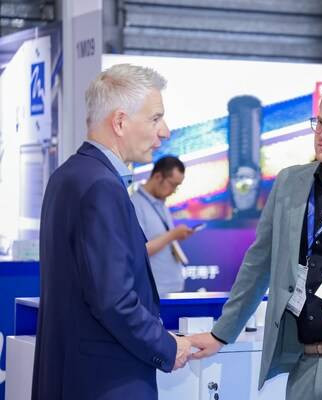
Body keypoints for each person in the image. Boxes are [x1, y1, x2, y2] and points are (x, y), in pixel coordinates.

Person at [188, 79, 322, 400]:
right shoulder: (289, 183)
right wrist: (222, 333)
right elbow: (258, 264)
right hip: (302, 361)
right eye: (321, 122)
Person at [32, 64, 193, 400]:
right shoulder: (101, 186)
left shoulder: (68, 176)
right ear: (120, 122)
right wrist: (167, 346)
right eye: (155, 118)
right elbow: (114, 300)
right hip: (107, 382)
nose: (164, 132)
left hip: (73, 376)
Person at [131, 155, 193, 296]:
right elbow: (139, 250)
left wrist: (175, 235)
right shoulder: (135, 204)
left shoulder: (161, 202)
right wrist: (172, 235)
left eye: (177, 186)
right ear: (158, 176)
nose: (173, 191)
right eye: (172, 184)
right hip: (154, 290)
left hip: (171, 286)